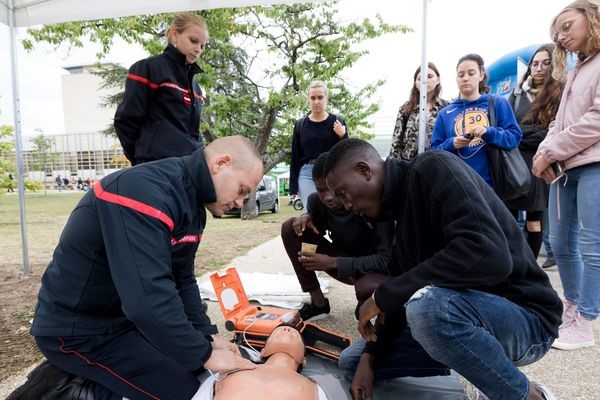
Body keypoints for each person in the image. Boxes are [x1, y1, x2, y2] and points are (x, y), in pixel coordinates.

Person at [325, 139, 561, 400]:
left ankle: (529, 395)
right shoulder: (395, 218)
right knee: (352, 362)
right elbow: (401, 294)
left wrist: (384, 295)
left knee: (428, 310)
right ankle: (487, 371)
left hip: (526, 319)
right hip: (465, 318)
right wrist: (370, 355)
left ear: (364, 170)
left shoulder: (433, 167)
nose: (346, 206)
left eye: (343, 194)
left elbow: (490, 255)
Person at [30, 136, 263, 400]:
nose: (240, 202)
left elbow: (182, 278)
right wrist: (204, 353)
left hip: (122, 321)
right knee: (185, 392)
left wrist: (207, 337)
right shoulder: (143, 192)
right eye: (242, 189)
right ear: (221, 164)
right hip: (78, 330)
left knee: (194, 368)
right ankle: (67, 390)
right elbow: (147, 297)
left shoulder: (192, 203)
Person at [532, 0, 600, 351]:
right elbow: (558, 122)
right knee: (560, 242)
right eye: (557, 31)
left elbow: (596, 119)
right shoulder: (576, 69)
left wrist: (551, 151)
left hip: (594, 164)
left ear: (591, 18)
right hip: (566, 169)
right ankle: (571, 308)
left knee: (591, 244)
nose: (561, 36)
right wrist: (544, 152)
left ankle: (586, 322)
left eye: (567, 25)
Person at [281, 152, 393, 322]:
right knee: (291, 227)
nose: (328, 197)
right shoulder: (317, 202)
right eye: (321, 190)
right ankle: (319, 304)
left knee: (367, 287)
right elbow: (311, 233)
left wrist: (333, 262)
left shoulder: (370, 202)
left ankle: (368, 299)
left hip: (372, 268)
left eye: (333, 190)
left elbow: (386, 259)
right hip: (342, 261)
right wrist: (306, 218)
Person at [114, 12, 209, 166]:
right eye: (193, 41)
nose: (198, 49)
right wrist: (141, 159)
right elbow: (126, 120)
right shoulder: (147, 69)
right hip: (156, 165)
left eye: (202, 45)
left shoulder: (195, 86)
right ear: (175, 35)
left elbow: (193, 133)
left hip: (188, 168)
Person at [505, 43, 564, 259]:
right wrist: (529, 133)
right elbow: (508, 129)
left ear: (553, 66)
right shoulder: (517, 93)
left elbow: (551, 132)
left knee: (534, 222)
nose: (539, 68)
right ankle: (513, 264)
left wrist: (522, 133)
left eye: (545, 63)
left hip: (540, 164)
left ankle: (530, 266)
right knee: (508, 220)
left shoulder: (559, 93)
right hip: (513, 164)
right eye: (535, 63)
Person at [431, 53, 522, 187]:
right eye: (461, 75)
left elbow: (514, 137)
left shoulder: (497, 103)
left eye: (471, 73)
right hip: (457, 186)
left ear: (481, 75)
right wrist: (452, 143)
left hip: (493, 186)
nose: (465, 78)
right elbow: (434, 151)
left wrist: (488, 132)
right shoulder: (444, 114)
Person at [205, 324, 346, 400]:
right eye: (276, 332)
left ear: (304, 361)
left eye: (295, 334)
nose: (286, 329)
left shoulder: (318, 387)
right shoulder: (229, 369)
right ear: (262, 351)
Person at [289, 81, 348, 213]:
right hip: (307, 175)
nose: (316, 102)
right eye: (313, 98)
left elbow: (347, 152)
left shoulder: (338, 121)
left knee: (334, 214)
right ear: (308, 99)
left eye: (320, 97)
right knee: (312, 213)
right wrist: (293, 188)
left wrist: (343, 135)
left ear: (326, 98)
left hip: (331, 174)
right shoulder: (300, 124)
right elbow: (295, 156)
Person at [389, 62, 448, 160]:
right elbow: (396, 143)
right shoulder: (406, 109)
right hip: (409, 164)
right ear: (415, 83)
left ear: (438, 80)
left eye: (429, 76)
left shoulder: (447, 108)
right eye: (420, 78)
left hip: (437, 163)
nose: (425, 80)